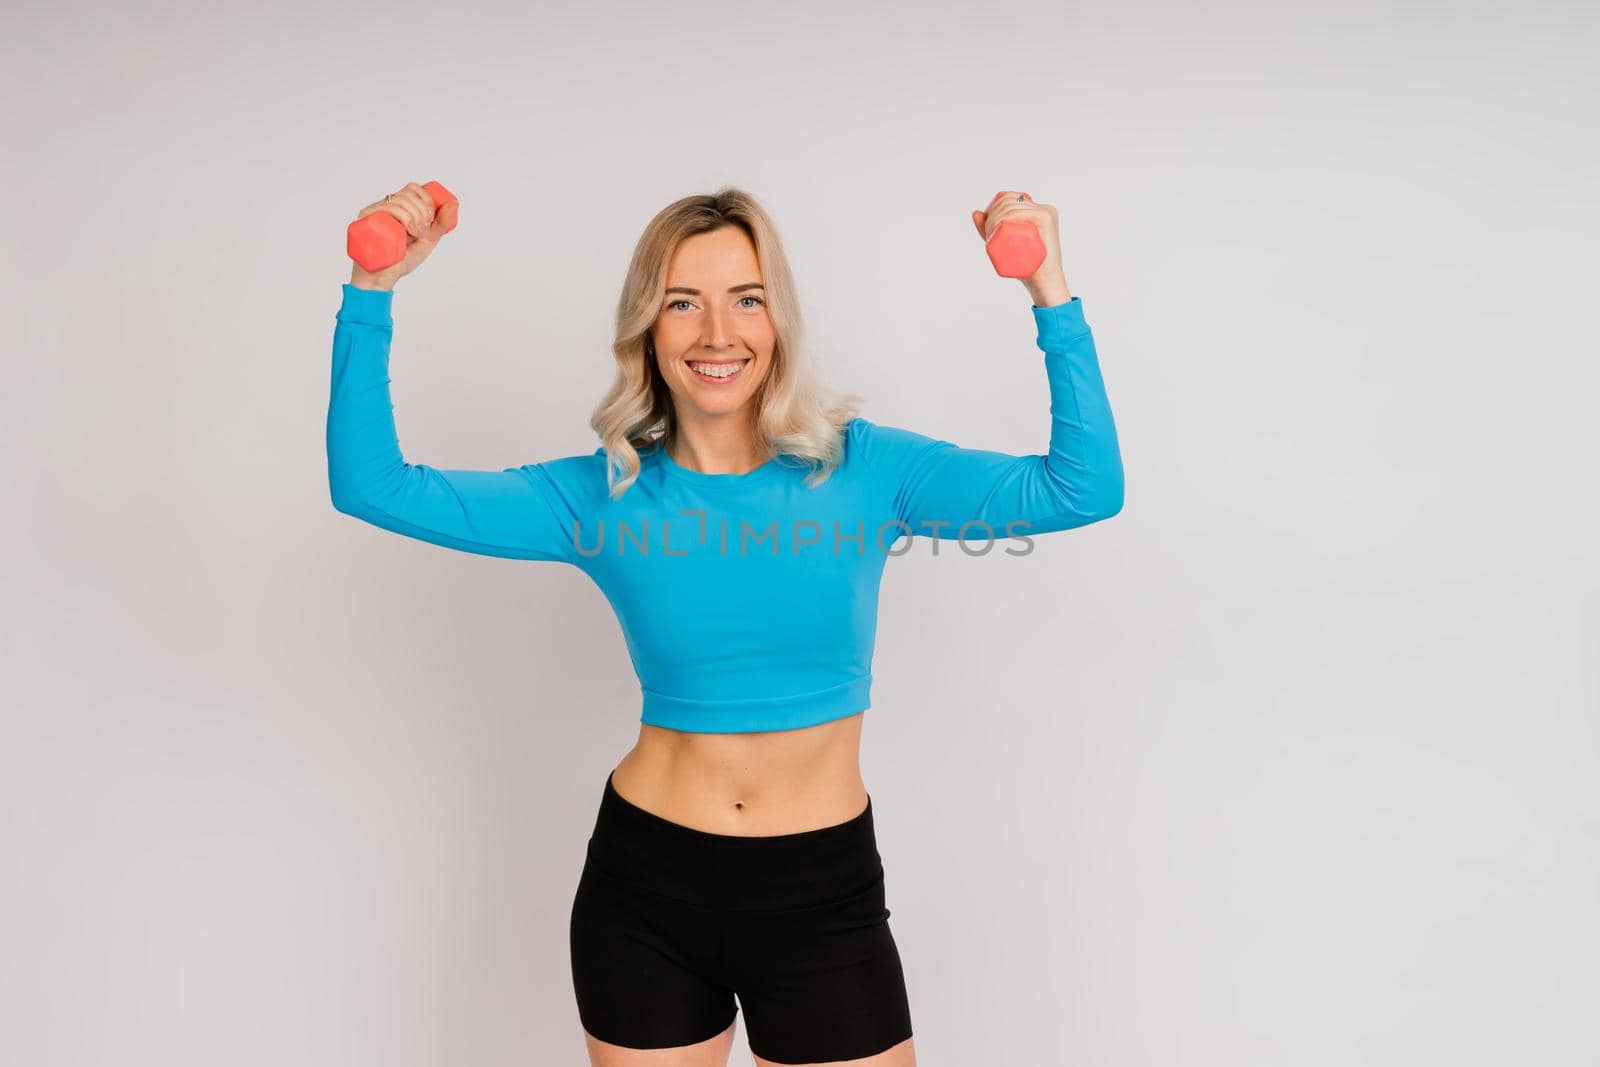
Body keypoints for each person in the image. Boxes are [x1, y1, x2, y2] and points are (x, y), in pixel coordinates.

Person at [325, 182, 1124, 1067]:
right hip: (646, 888)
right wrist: (372, 290)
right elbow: (373, 485)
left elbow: (1079, 488)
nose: (717, 333)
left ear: (778, 319)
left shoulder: (867, 470)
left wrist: (1049, 289)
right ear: (647, 328)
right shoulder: (600, 495)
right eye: (682, 303)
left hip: (822, 892)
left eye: (747, 299)